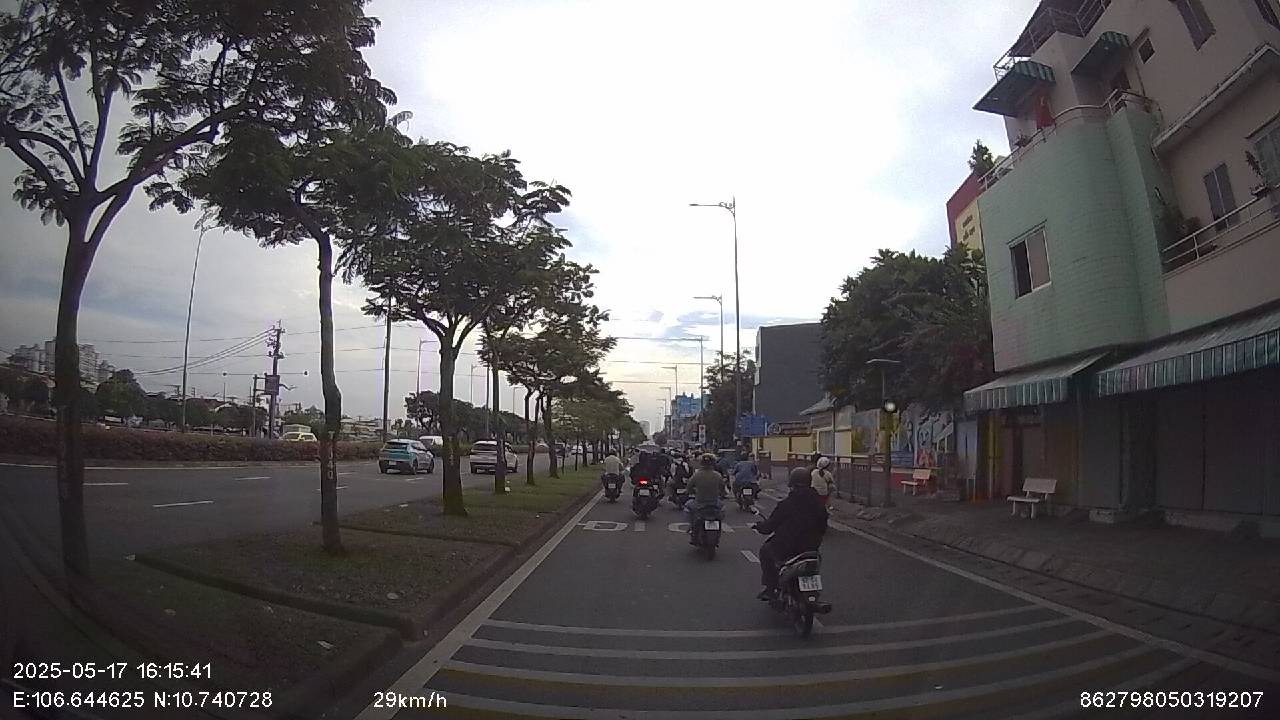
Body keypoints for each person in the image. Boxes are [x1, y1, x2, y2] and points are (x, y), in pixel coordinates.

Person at [752, 466, 828, 600]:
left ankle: (770, 588)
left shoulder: (787, 504)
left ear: (792, 484)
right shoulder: (818, 503)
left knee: (765, 551)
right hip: (812, 547)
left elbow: (769, 526)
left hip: (788, 547)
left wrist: (760, 527)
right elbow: (823, 526)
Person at [684, 453, 725, 542]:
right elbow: (723, 488)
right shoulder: (717, 475)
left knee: (687, 507)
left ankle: (691, 526)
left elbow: (689, 487)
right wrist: (722, 494)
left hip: (699, 504)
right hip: (715, 504)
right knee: (722, 510)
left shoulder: (696, 475)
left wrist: (691, 492)